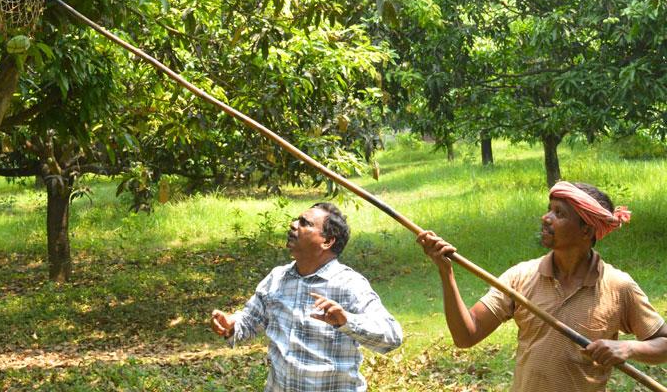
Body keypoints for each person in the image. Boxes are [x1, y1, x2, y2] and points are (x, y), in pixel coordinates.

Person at [418, 180, 667, 391]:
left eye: (559, 214)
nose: (545, 218)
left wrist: (629, 347)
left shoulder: (618, 287)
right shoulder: (520, 277)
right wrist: (445, 271)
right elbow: (466, 335)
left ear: (586, 230)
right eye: (549, 209)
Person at [210, 202, 403, 391]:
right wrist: (230, 324)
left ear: (327, 241)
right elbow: (249, 321)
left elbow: (392, 336)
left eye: (305, 223)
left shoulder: (349, 285)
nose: (293, 224)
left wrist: (347, 321)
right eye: (297, 220)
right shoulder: (277, 278)